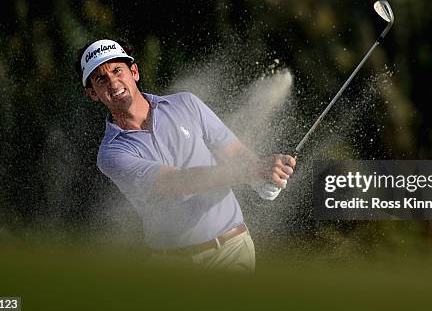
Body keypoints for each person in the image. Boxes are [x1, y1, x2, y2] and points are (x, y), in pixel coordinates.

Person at [78, 38, 296, 272]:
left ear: (134, 71)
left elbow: (234, 151)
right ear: (92, 93)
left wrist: (260, 175)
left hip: (231, 251)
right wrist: (250, 171)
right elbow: (177, 182)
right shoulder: (112, 152)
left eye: (117, 70)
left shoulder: (186, 103)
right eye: (101, 78)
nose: (113, 82)